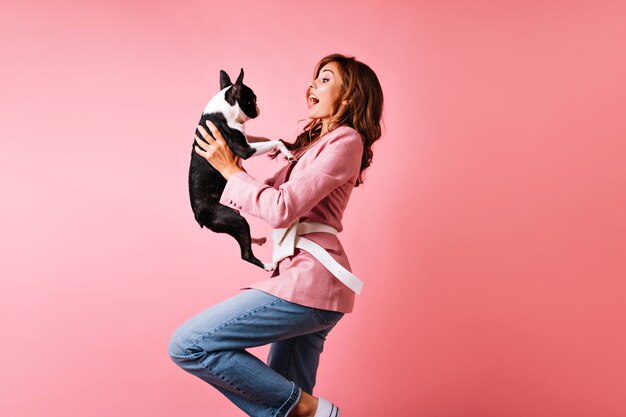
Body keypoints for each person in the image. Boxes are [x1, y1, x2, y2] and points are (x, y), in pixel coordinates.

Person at [168, 53, 384, 417]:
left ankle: (310, 409)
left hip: (311, 282)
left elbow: (281, 208)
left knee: (190, 344)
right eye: (315, 78)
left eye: (326, 79)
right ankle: (304, 411)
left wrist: (230, 170)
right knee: (278, 410)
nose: (313, 84)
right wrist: (221, 178)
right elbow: (265, 197)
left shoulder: (346, 140)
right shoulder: (313, 147)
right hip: (301, 280)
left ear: (349, 97)